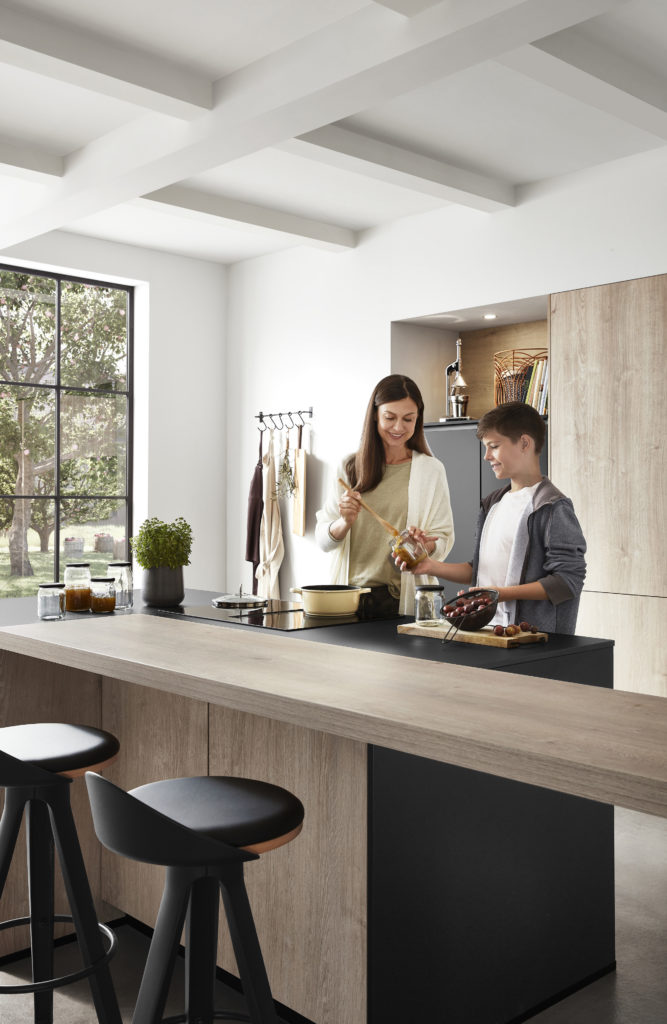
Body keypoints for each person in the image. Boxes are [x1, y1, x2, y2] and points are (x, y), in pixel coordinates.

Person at [395, 402, 586, 634]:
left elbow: (567, 582)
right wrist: (430, 566)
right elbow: (478, 571)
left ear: (524, 443)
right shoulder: (493, 504)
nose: (486, 456)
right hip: (489, 632)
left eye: (494, 446)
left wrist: (498, 594)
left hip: (532, 640)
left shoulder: (553, 507)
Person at [315, 374, 454, 616]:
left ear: (417, 420)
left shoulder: (432, 470)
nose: (399, 427)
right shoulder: (349, 467)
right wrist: (344, 522)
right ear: (375, 415)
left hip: (401, 601)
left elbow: (443, 539)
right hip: (348, 598)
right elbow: (323, 540)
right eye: (390, 417)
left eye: (408, 419)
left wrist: (424, 546)